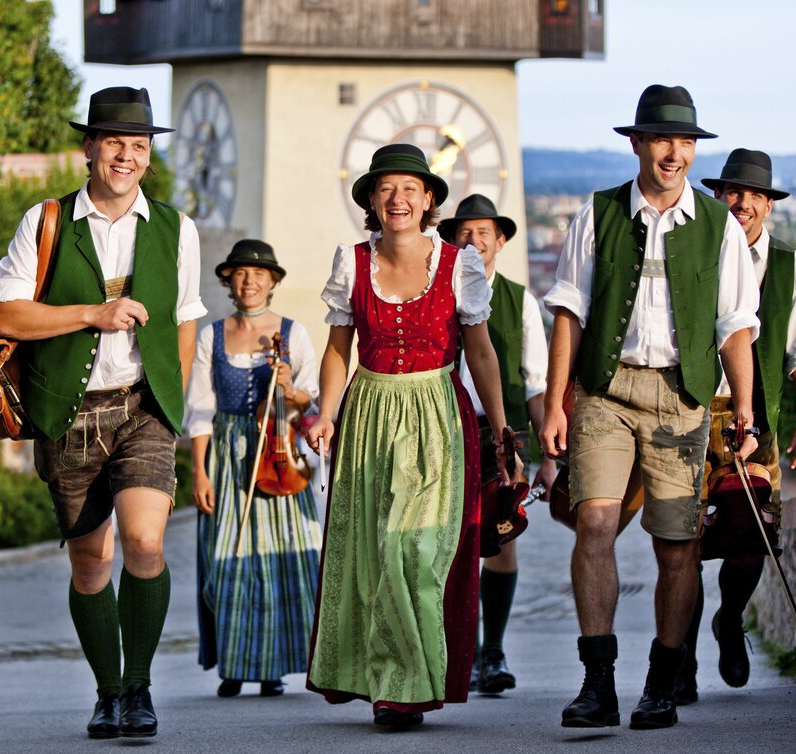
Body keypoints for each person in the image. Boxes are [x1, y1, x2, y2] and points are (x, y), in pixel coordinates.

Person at [540, 84, 761, 731]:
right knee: (596, 525)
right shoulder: (598, 212)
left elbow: (734, 326)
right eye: (662, 139)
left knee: (675, 546)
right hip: (606, 391)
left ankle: (661, 684)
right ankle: (596, 684)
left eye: (685, 142)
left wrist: (742, 409)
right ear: (636, 144)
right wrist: (556, 403)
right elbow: (568, 312)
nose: (674, 153)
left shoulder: (718, 227)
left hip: (680, 397)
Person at [0, 86, 205, 739]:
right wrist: (92, 314)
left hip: (143, 406)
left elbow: (186, 321)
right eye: (113, 142)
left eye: (137, 145)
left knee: (142, 540)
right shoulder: (46, 221)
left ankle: (138, 688)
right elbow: (5, 315)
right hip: (69, 412)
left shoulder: (176, 228)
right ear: (88, 147)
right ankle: (106, 692)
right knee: (90, 562)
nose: (125, 155)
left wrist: (174, 402)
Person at [305, 144, 518, 728]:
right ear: (373, 200)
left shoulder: (459, 264)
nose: (398, 199)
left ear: (428, 200)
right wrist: (325, 414)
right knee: (373, 555)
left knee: (415, 548)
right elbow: (335, 350)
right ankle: (387, 683)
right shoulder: (351, 263)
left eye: (410, 189)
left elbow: (480, 350)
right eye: (386, 189)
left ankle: (409, 680)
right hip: (369, 412)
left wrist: (499, 425)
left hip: (436, 416)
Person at [672, 149, 796, 702]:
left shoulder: (791, 266)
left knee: (752, 539)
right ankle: (680, 658)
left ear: (767, 204)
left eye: (752, 195)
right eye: (732, 192)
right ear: (717, 197)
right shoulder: (691, 254)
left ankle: (730, 617)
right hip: (687, 409)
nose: (741, 203)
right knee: (681, 538)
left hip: (756, 417)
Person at [186, 239, 322, 699]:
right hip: (228, 453)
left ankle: (272, 669)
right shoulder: (212, 334)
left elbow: (312, 399)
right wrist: (200, 472)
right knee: (227, 559)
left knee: (284, 561)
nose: (250, 281)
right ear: (230, 280)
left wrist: (290, 387)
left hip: (278, 453)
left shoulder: (292, 332)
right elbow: (200, 410)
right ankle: (233, 662)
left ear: (272, 281)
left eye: (259, 274)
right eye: (241, 274)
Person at [439, 194, 558, 695]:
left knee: (500, 537)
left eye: (483, 232)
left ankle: (493, 651)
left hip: (497, 431)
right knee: (442, 540)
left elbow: (535, 382)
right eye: (464, 232)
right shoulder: (435, 291)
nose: (473, 240)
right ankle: (447, 651)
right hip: (441, 423)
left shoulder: (520, 301)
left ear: (500, 240)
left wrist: (550, 456)